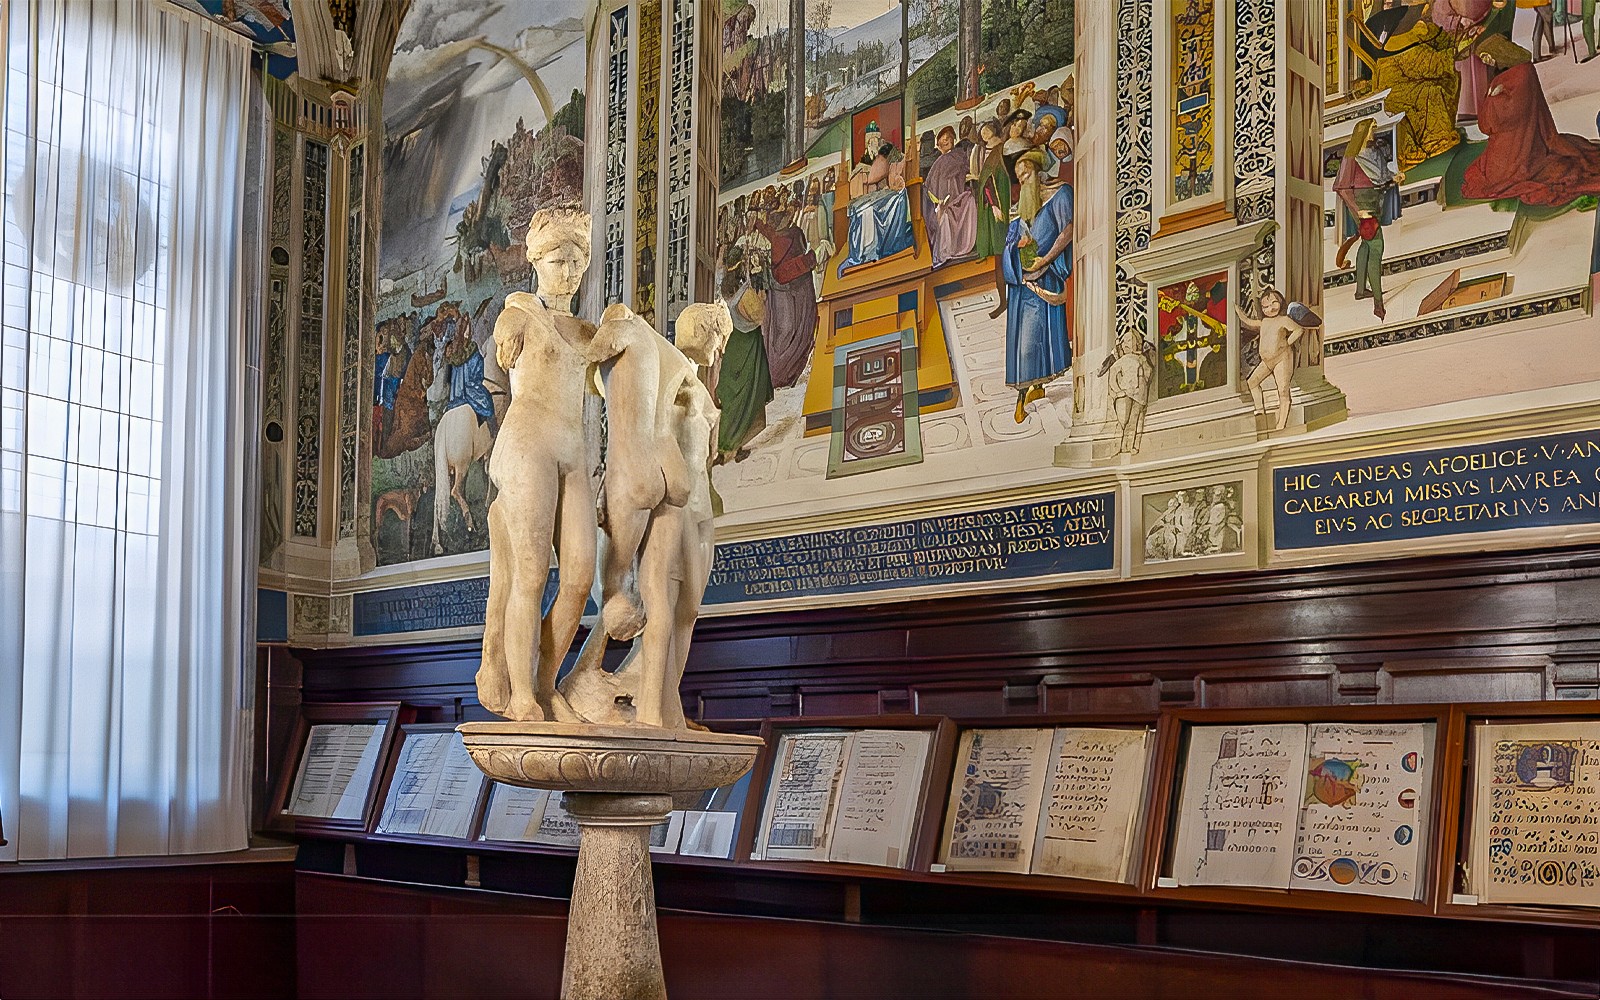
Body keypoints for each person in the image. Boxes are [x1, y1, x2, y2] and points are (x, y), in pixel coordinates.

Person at [477, 206, 599, 723]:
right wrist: (512, 319)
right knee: (530, 574)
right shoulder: (519, 315)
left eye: (576, 261)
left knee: (579, 576)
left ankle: (547, 685)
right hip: (529, 444)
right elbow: (504, 349)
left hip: (573, 451)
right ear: (535, 262)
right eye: (556, 261)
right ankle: (522, 693)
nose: (567, 272)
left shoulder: (589, 332)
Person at [1461, 38, 1600, 207]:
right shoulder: (1519, 71)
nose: (1486, 61)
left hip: (1516, 150)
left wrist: (1491, 100)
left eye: (1487, 56)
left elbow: (1491, 123)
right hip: (1522, 143)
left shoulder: (1517, 76)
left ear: (1500, 53)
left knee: (1494, 178)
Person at [1003, 156, 1073, 423]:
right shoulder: (1020, 211)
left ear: (1039, 171)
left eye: (1027, 174)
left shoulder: (1060, 194)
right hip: (1023, 285)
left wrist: (1045, 260)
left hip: (1047, 278)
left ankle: (1037, 387)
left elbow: (1068, 231)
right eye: (1020, 179)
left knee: (1041, 340)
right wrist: (1015, 248)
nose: (1024, 182)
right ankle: (1022, 396)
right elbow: (1009, 245)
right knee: (1024, 344)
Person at [1351, 4, 1463, 169]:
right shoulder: (1404, 41)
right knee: (1431, 93)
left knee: (1431, 89)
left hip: (1401, 83)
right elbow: (1432, 64)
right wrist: (1457, 50)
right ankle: (1431, 142)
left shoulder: (1410, 30)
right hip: (1397, 92)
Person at [1335, 117, 1404, 320]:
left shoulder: (1372, 151)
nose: (1373, 134)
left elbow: (1380, 178)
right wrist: (1359, 212)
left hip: (1374, 202)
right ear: (1363, 133)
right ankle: (1378, 303)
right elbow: (1342, 188)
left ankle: (1360, 291)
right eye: (1371, 130)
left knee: (1366, 246)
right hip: (1364, 207)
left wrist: (1393, 178)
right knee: (1376, 250)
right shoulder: (1352, 157)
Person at [715, 248, 774, 460]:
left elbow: (719, 270)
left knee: (732, 396)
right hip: (748, 346)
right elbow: (760, 317)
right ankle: (733, 445)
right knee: (748, 395)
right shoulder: (745, 293)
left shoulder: (723, 288)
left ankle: (726, 445)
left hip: (733, 346)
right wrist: (762, 298)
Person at [754, 201, 817, 389]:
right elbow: (786, 269)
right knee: (787, 330)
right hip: (786, 291)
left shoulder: (790, 233)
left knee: (794, 331)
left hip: (793, 289)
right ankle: (779, 374)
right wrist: (810, 259)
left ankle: (784, 373)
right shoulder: (783, 237)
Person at [1237, 288, 1307, 431]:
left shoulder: (1283, 320)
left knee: (1283, 391)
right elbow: (1248, 321)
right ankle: (1259, 409)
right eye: (1266, 306)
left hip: (1282, 359)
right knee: (1252, 382)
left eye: (1274, 303)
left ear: (1280, 302)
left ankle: (1281, 424)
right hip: (1267, 361)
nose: (1270, 308)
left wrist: (1287, 342)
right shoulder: (1264, 322)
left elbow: (1299, 330)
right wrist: (1237, 310)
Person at [924, 125, 978, 266]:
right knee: (940, 216)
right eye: (943, 140)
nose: (946, 141)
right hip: (940, 201)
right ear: (938, 144)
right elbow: (931, 183)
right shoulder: (939, 161)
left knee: (966, 203)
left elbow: (963, 172)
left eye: (949, 138)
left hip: (955, 198)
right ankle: (943, 251)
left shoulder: (958, 156)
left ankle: (955, 248)